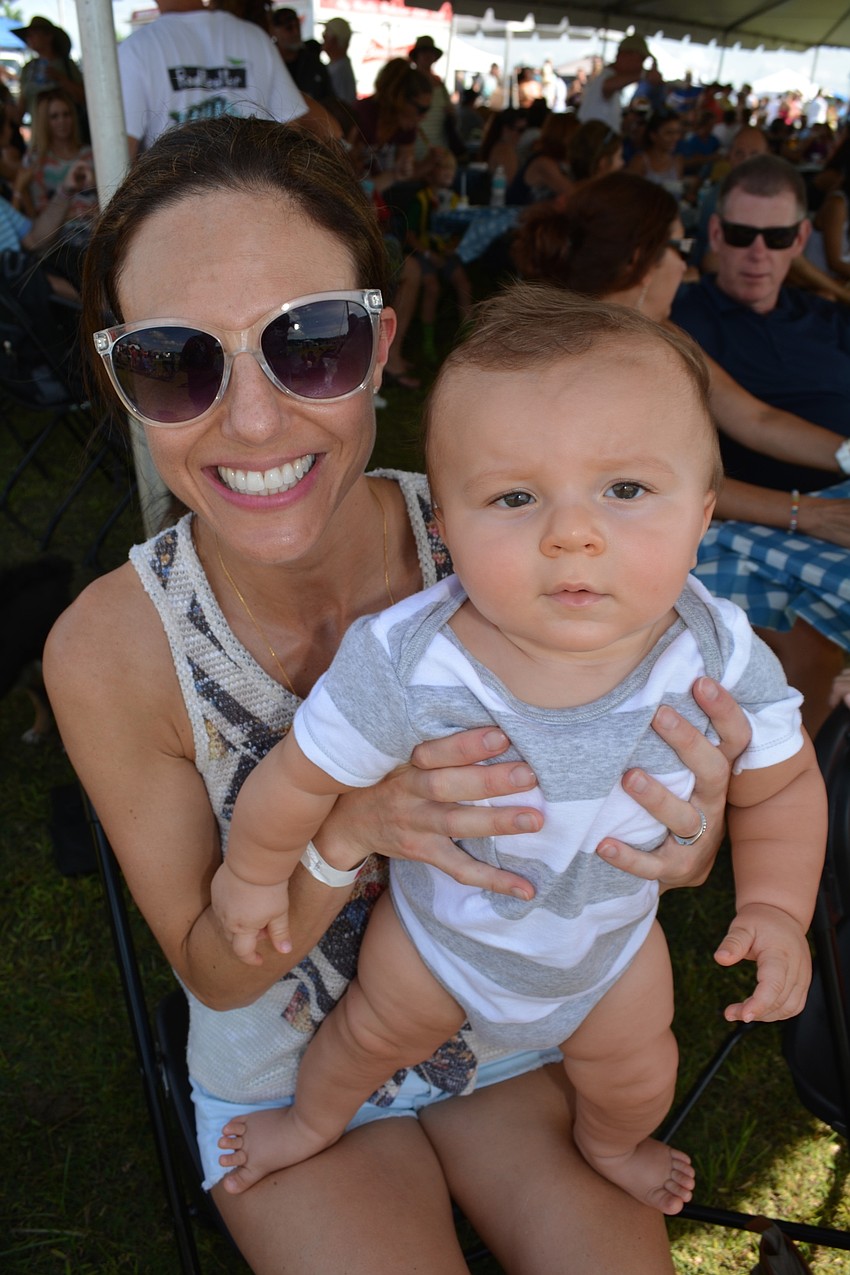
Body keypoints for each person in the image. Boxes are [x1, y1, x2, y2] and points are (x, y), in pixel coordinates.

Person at [46, 116, 750, 1275]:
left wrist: (693, 826)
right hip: (283, 1072)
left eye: (307, 343)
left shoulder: (519, 535)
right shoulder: (111, 650)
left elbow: (673, 761)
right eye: (177, 362)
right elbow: (216, 971)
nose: (257, 420)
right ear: (120, 381)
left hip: (509, 1023)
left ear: (379, 342)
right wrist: (351, 831)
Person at [209, 285, 825, 1215]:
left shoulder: (719, 649)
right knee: (367, 1039)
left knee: (637, 1069)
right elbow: (299, 775)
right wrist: (255, 875)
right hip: (443, 939)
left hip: (610, 947)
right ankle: (311, 1121)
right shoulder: (412, 660)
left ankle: (608, 1144)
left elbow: (781, 785)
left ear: (704, 515)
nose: (572, 532)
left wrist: (778, 906)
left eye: (625, 489)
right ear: (446, 529)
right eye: (514, 495)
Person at [514, 172, 850, 735]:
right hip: (608, 550)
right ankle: (782, 785)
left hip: (663, 525)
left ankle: (790, 781)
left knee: (807, 636)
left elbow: (754, 419)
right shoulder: (588, 360)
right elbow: (660, 490)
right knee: (796, 644)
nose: (687, 265)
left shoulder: (661, 332)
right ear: (642, 260)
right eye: (681, 246)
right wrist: (805, 513)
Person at [117, 0, 308, 159]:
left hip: (177, 197)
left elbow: (120, 156)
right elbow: (292, 130)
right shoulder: (254, 37)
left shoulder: (136, 49)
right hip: (254, 192)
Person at [12, 89, 96, 225]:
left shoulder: (90, 153)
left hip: (96, 228)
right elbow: (37, 212)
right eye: (54, 116)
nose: (62, 121)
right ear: (44, 121)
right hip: (58, 235)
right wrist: (78, 213)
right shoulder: (35, 160)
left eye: (66, 114)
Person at [13, 15, 86, 130]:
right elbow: (21, 107)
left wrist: (60, 79)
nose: (29, 38)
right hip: (39, 133)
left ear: (49, 36)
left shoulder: (66, 65)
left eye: (34, 33)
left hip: (69, 134)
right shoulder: (28, 68)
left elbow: (83, 97)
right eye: (28, 35)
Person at [578, 33, 661, 132]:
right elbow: (607, 85)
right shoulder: (606, 77)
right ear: (626, 55)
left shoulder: (611, 80)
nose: (641, 66)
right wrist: (644, 75)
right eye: (641, 60)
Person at [269, 7, 332, 104]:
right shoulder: (267, 62)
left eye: (298, 27)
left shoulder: (313, 63)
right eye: (289, 28)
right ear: (274, 31)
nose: (296, 32)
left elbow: (328, 99)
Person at [321, 16, 357, 106]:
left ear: (335, 39)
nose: (323, 35)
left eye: (327, 32)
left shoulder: (341, 71)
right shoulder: (338, 67)